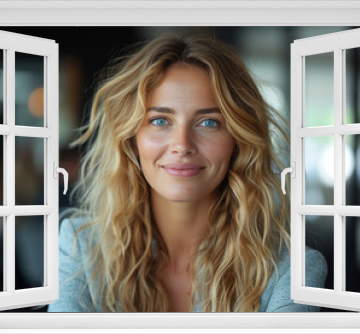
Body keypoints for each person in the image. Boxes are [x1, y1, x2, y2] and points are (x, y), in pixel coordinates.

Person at [48, 34, 327, 313]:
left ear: (238, 140)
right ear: (131, 138)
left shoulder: (292, 271)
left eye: (208, 122)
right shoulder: (80, 247)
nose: (182, 145)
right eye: (160, 121)